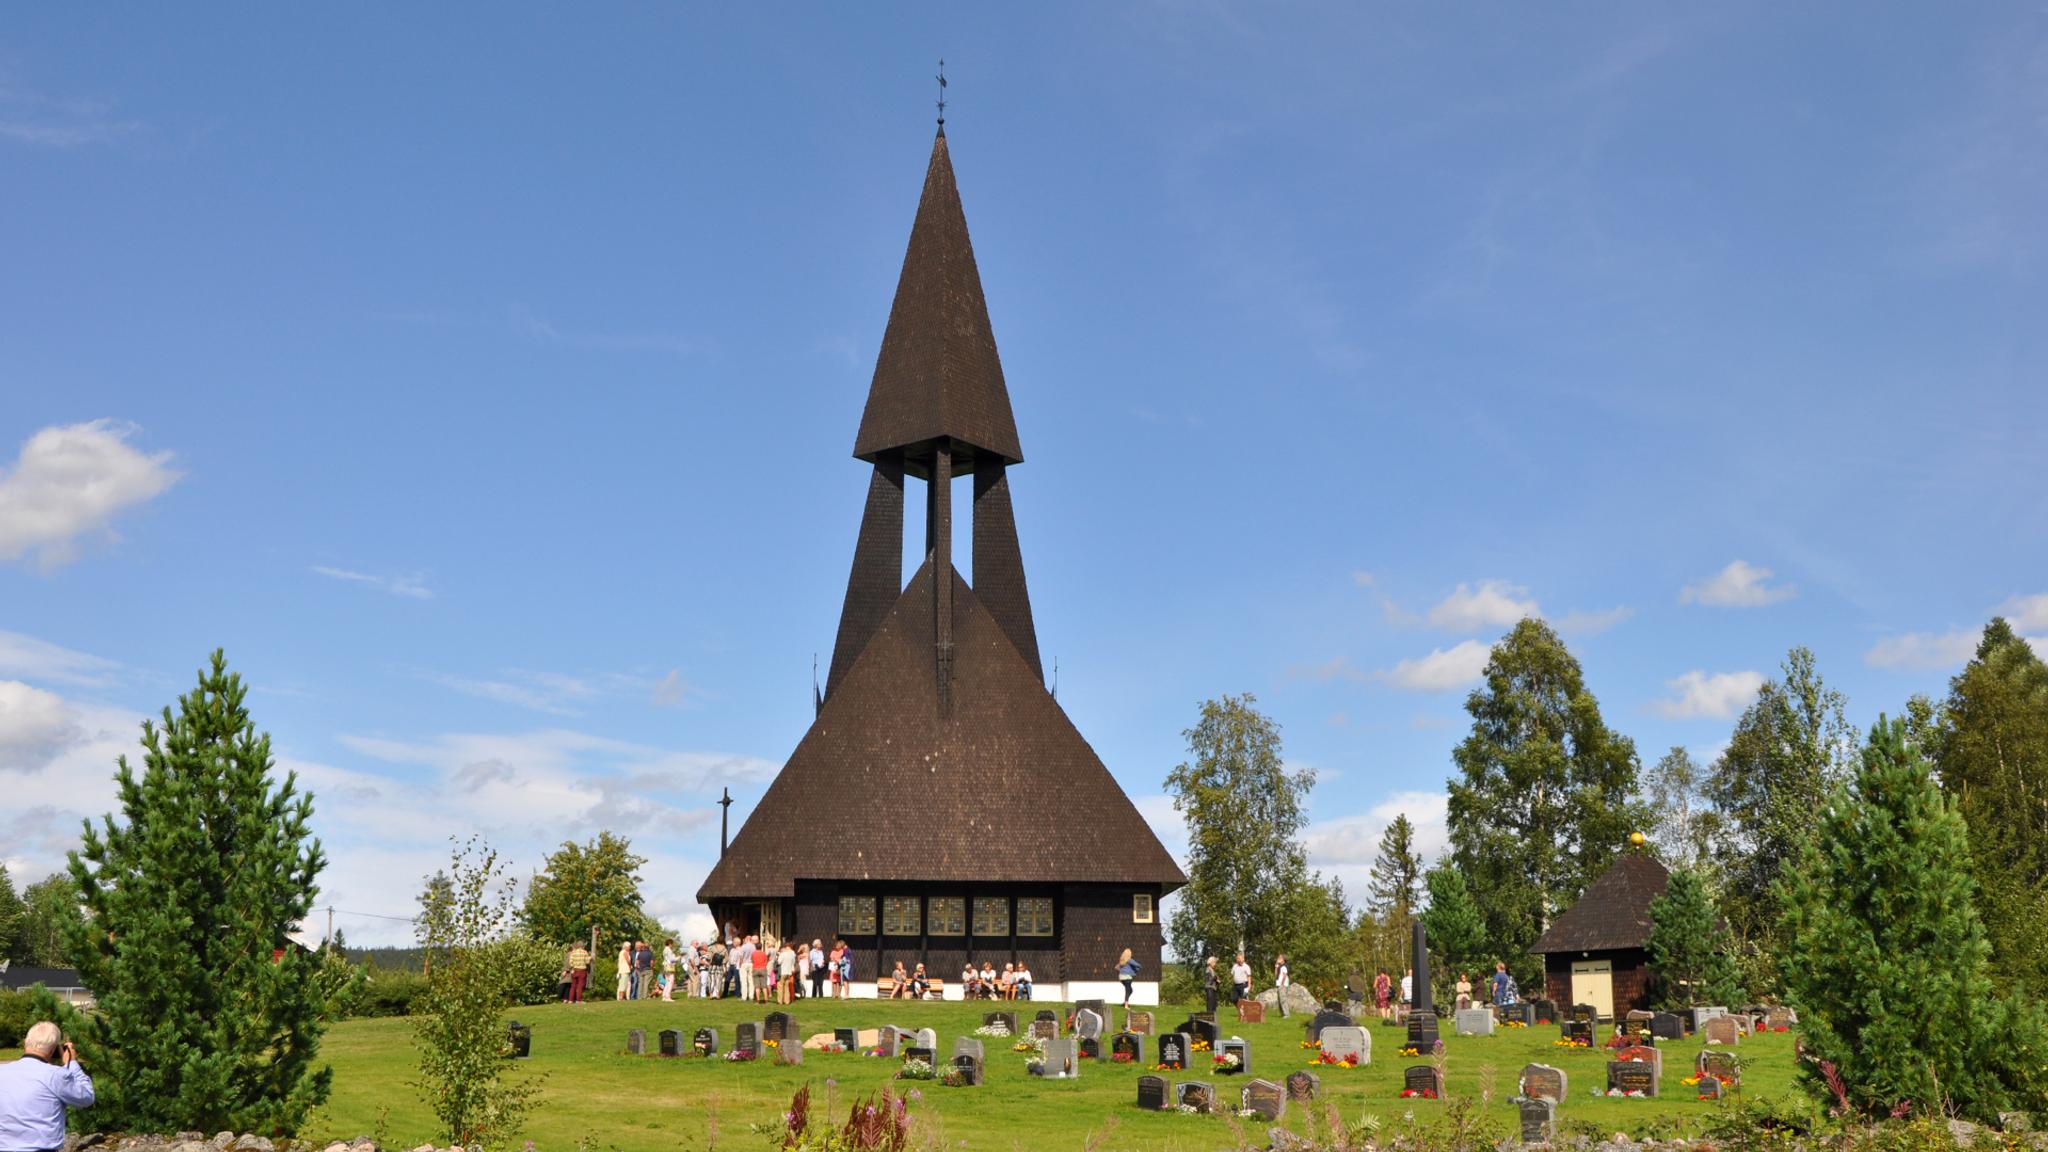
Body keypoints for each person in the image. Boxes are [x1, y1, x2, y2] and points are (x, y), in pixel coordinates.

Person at [0, 1022, 95, 1151]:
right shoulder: (55, 1075)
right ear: (53, 1049)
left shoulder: (2, 1071)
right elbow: (86, 1097)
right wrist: (71, 1062)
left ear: (25, 1043)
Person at [778, 940, 798, 1005]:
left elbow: (779, 962)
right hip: (789, 972)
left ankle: (780, 1001)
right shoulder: (791, 955)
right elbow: (793, 962)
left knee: (780, 986)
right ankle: (787, 1001)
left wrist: (779, 956)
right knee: (786, 987)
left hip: (783, 972)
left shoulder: (782, 954)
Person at [1273, 952, 1292, 1017]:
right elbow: (1276, 974)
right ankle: (1283, 1014)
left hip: (1283, 985)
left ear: (1283, 959)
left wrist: (1282, 984)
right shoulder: (1279, 966)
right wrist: (1276, 966)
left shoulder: (1284, 966)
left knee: (1283, 1000)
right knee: (1280, 1000)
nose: (1278, 959)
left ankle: (1287, 1014)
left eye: (1280, 958)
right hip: (1279, 984)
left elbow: (1284, 976)